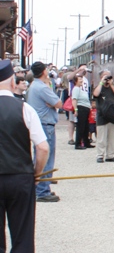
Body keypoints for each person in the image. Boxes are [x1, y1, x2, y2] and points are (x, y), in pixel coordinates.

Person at [0, 59, 50, 253]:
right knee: (23, 237)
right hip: (20, 177)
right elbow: (43, 148)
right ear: (13, 82)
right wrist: (36, 174)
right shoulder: (24, 108)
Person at [24, 61, 62, 202]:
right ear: (44, 72)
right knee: (45, 157)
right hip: (46, 124)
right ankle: (42, 190)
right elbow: (59, 103)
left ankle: (41, 187)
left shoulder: (34, 86)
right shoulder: (42, 87)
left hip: (40, 124)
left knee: (39, 156)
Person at [93, 69, 114, 163]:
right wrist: (101, 83)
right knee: (101, 138)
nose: (107, 78)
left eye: (108, 76)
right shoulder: (98, 87)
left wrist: (111, 84)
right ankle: (100, 155)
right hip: (102, 114)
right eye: (105, 76)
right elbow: (95, 94)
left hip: (112, 114)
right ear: (101, 77)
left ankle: (110, 155)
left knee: (112, 137)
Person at [71, 74, 92, 149]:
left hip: (85, 108)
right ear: (75, 81)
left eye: (81, 79)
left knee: (86, 127)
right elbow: (74, 100)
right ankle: (78, 144)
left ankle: (86, 142)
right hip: (81, 108)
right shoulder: (76, 89)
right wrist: (76, 109)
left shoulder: (80, 89)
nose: (81, 81)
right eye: (79, 79)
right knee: (80, 127)